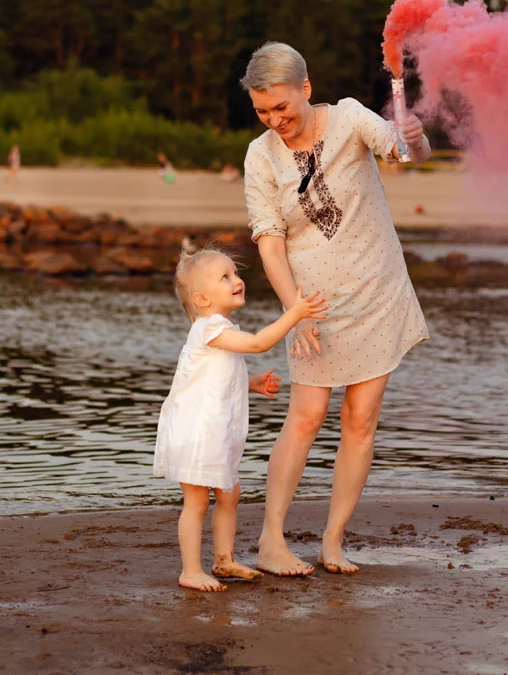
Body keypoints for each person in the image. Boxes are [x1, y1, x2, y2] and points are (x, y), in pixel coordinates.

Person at [241, 41, 431, 576]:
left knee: (361, 418)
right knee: (305, 418)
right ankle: (272, 540)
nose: (275, 119)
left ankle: (332, 540)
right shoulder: (260, 155)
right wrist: (293, 310)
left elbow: (401, 153)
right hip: (312, 305)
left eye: (282, 106)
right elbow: (269, 239)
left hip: (376, 291)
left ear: (306, 88)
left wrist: (416, 140)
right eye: (262, 111)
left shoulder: (349, 117)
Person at [153, 248, 328, 591]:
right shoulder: (209, 329)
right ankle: (191, 570)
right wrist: (296, 314)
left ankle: (224, 560)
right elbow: (260, 343)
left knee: (230, 494)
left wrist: (252, 384)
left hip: (216, 433)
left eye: (235, 273)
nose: (236, 280)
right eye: (225, 277)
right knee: (198, 500)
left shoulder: (221, 330)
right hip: (196, 433)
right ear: (202, 299)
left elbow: (214, 377)